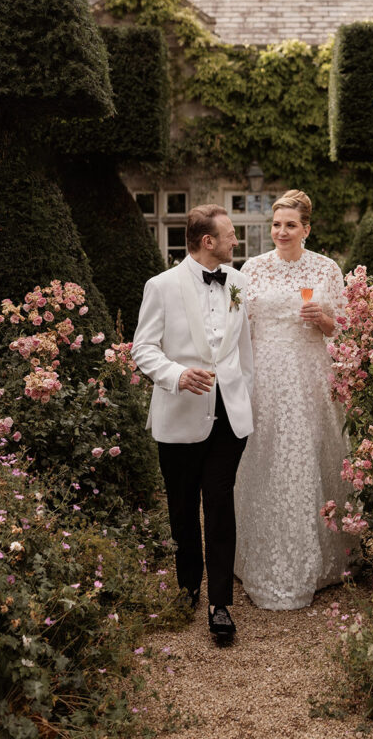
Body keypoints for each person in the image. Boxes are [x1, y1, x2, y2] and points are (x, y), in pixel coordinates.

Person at [131, 204, 253, 641]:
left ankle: (220, 604)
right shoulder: (160, 286)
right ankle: (187, 590)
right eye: (231, 234)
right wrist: (178, 375)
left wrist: (245, 398)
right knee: (182, 509)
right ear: (208, 242)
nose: (235, 241)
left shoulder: (239, 281)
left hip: (229, 418)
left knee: (220, 505)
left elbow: (245, 350)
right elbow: (143, 349)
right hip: (180, 416)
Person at [234, 189, 351, 610]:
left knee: (306, 458)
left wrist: (324, 320)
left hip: (308, 376)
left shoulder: (326, 269)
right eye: (277, 224)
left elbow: (345, 328)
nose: (281, 232)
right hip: (264, 377)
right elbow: (239, 328)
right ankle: (257, 558)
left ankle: (318, 562)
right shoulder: (252, 269)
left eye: (290, 225)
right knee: (263, 459)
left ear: (306, 228)